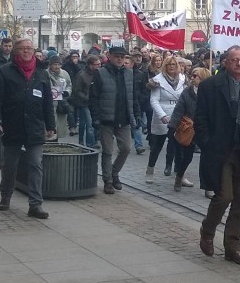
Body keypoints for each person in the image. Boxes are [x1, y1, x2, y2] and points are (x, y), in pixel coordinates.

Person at [194, 45, 240, 264]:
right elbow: (201, 119)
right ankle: (207, 230)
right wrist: (207, 143)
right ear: (225, 62)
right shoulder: (211, 86)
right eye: (234, 60)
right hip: (222, 151)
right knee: (224, 196)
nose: (238, 63)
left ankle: (232, 247)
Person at [0, 38, 55, 219]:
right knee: (10, 164)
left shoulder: (41, 73)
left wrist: (50, 125)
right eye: (22, 49)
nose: (26, 52)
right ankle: (6, 196)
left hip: (34, 125)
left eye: (29, 49)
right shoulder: (5, 71)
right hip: (13, 125)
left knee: (35, 164)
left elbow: (48, 101)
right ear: (16, 51)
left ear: (34, 51)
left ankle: (35, 204)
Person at [89, 46, 141, 195]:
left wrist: (136, 114)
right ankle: (108, 181)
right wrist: (96, 117)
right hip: (106, 118)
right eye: (117, 56)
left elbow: (133, 96)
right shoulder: (100, 73)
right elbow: (94, 98)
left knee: (126, 148)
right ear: (109, 56)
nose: (119, 59)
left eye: (122, 56)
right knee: (107, 151)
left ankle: (114, 172)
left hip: (123, 118)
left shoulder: (129, 74)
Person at [169, 67, 209, 191]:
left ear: (203, 78)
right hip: (189, 129)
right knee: (187, 157)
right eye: (192, 75)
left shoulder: (211, 93)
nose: (192, 78)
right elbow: (178, 110)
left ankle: (208, 186)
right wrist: (172, 127)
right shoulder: (187, 92)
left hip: (204, 130)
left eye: (195, 76)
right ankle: (179, 176)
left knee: (208, 158)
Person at [147, 56, 186, 184]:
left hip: (178, 115)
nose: (171, 66)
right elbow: (154, 100)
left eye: (174, 64)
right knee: (157, 147)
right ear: (165, 65)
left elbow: (186, 97)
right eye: (169, 64)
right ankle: (150, 170)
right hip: (162, 115)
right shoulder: (157, 80)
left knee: (179, 147)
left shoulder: (182, 79)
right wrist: (162, 115)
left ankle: (179, 175)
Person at [71, 55, 100, 148]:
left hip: (94, 103)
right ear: (91, 65)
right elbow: (77, 90)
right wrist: (86, 97)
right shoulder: (82, 75)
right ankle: (90, 143)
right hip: (84, 103)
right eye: (97, 64)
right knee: (88, 123)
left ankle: (88, 140)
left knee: (85, 122)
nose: (99, 66)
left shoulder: (97, 74)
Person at [46, 56, 72, 140]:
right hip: (49, 102)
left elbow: (69, 85)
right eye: (54, 64)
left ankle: (56, 138)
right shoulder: (45, 73)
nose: (57, 67)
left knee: (59, 124)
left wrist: (67, 92)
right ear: (50, 65)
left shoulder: (64, 74)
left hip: (61, 102)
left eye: (58, 64)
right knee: (50, 123)